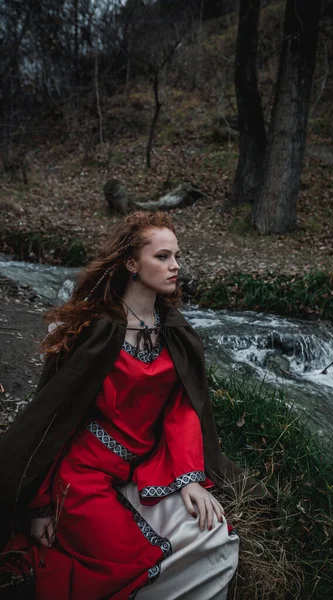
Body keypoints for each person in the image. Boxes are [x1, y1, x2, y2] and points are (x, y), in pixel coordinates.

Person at [0, 211, 264, 599]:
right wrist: (40, 507)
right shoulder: (95, 330)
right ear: (130, 263)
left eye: (176, 255)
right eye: (162, 256)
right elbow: (54, 421)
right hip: (84, 474)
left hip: (148, 466)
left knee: (213, 538)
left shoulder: (174, 330)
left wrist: (190, 477)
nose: (175, 266)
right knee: (129, 559)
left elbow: (182, 408)